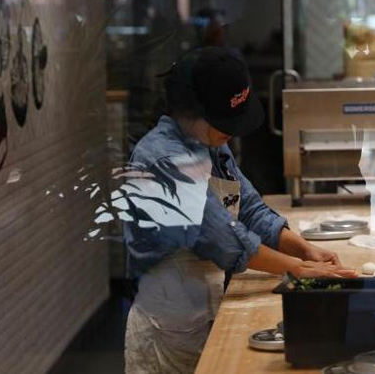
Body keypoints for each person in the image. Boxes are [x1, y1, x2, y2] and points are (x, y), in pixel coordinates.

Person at [122, 47, 356, 374]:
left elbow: (248, 209)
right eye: (223, 122)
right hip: (167, 328)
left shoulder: (210, 143)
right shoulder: (162, 160)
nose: (231, 132)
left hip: (205, 305)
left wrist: (304, 249)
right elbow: (222, 238)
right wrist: (296, 269)